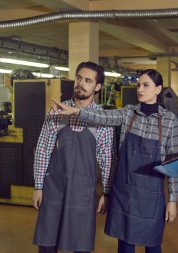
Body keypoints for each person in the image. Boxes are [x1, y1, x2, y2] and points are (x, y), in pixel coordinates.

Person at [52, 69, 178, 253]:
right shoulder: (129, 113)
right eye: (138, 85)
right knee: (125, 243)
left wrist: (173, 200)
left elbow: (173, 164)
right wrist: (77, 111)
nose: (140, 89)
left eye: (146, 85)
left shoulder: (169, 121)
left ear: (158, 89)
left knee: (152, 245)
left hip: (150, 197)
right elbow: (102, 116)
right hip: (124, 192)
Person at [32, 61, 115, 253]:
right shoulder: (56, 111)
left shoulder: (102, 119)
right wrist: (38, 186)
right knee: (47, 244)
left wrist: (106, 193)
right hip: (54, 190)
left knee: (81, 245)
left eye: (88, 80)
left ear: (98, 87)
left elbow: (107, 159)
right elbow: (43, 150)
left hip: (83, 193)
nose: (81, 83)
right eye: (79, 78)